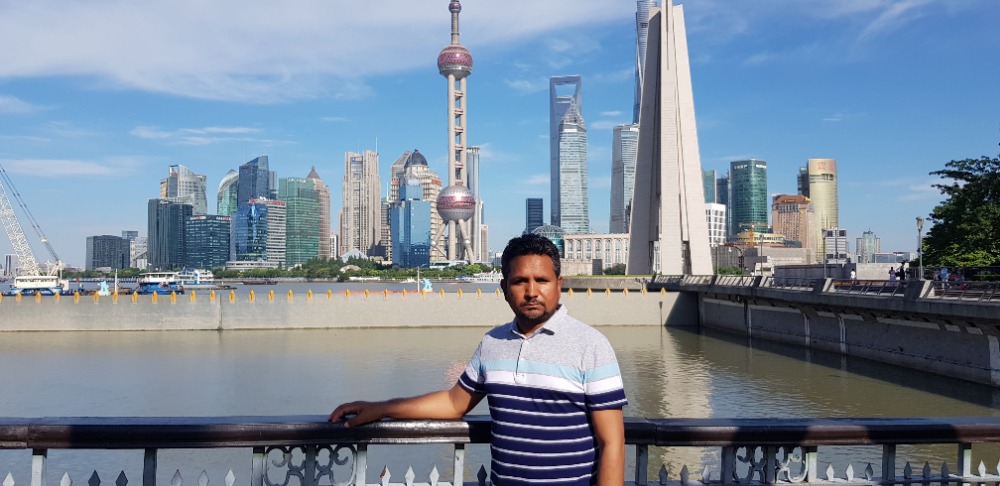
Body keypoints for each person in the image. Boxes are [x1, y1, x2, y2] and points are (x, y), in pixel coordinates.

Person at [329, 234, 628, 486]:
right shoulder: (492, 344)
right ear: (504, 289)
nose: (531, 292)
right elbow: (453, 403)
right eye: (520, 281)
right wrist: (382, 408)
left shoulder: (591, 346)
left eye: (542, 280)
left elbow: (612, 443)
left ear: (558, 284)